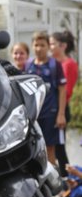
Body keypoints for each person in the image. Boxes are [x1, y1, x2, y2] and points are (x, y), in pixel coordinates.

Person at [25, 31, 66, 166]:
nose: (39, 48)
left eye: (42, 45)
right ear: (32, 46)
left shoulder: (55, 65)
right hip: (33, 115)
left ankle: (54, 183)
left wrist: (61, 114)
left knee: (50, 148)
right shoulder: (28, 65)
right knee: (34, 150)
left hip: (50, 113)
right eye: (36, 45)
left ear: (48, 47)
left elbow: (62, 90)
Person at [50, 31, 78, 177]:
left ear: (63, 46)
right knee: (50, 147)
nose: (51, 47)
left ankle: (68, 179)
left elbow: (66, 91)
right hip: (49, 109)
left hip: (60, 109)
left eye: (53, 44)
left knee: (59, 148)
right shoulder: (52, 63)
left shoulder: (69, 64)